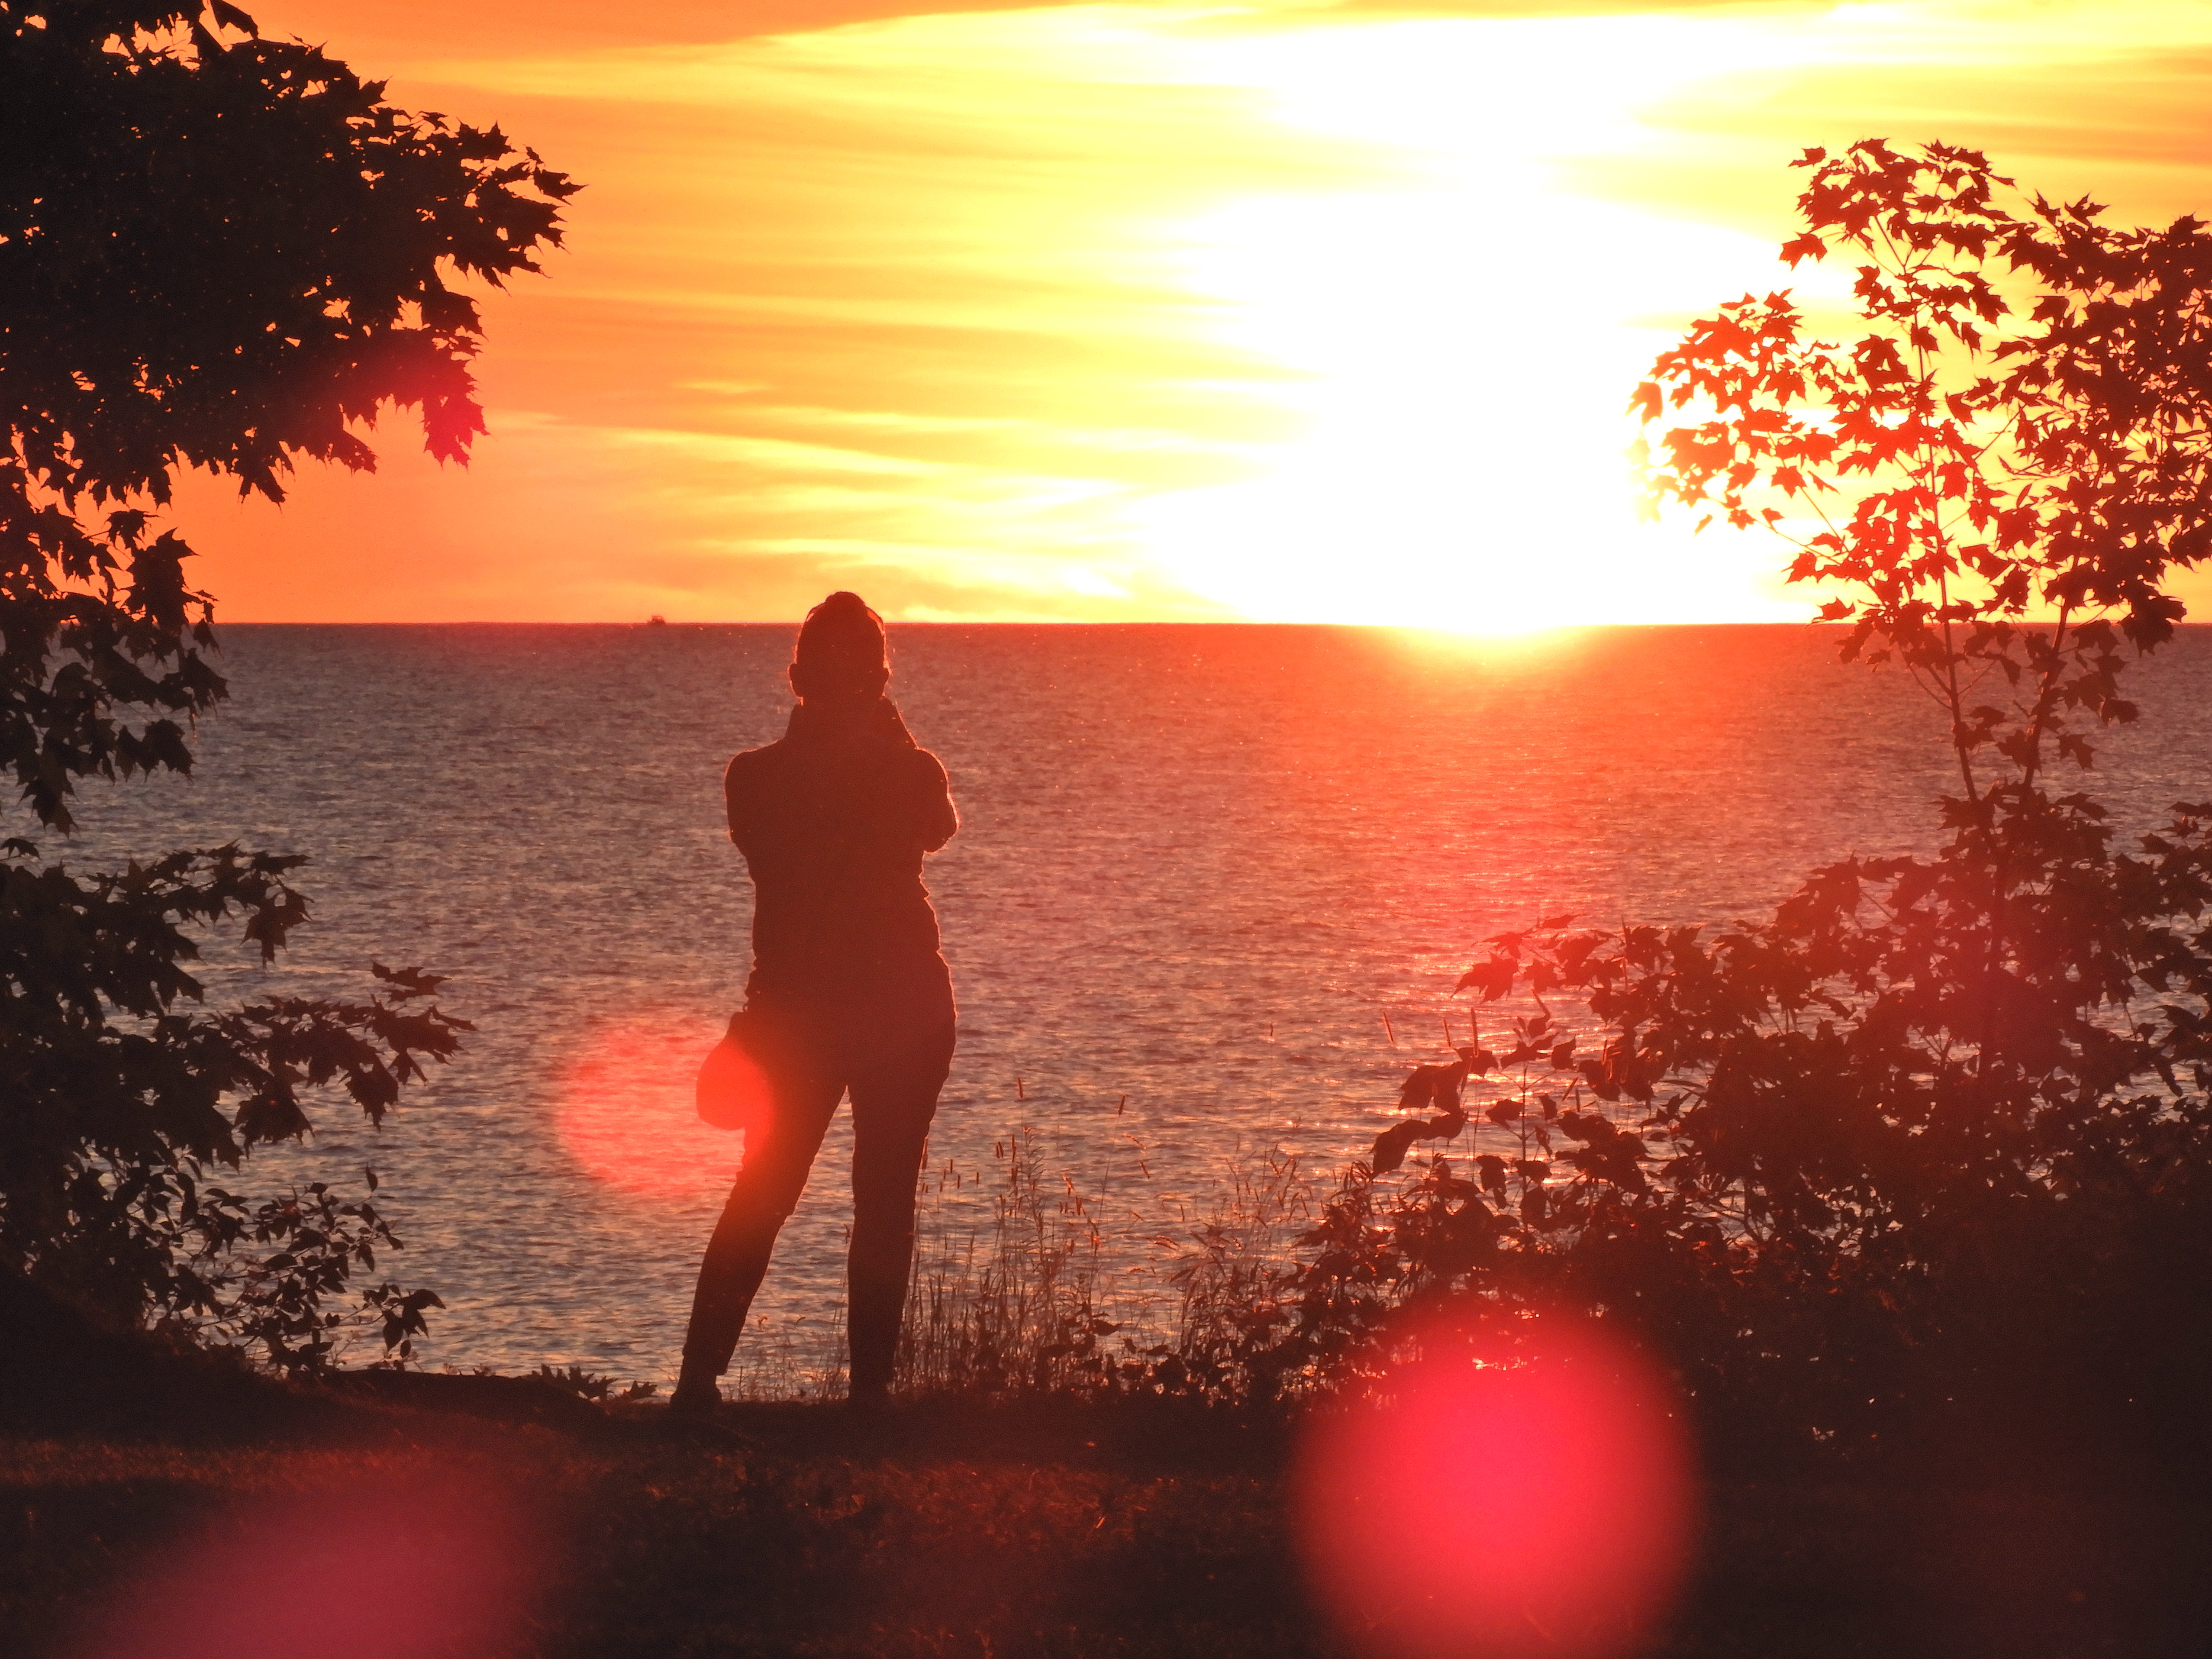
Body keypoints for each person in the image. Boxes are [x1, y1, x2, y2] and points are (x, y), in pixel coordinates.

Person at [673, 592, 959, 1413]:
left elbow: (795, 841)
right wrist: (885, 737)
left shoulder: (756, 776)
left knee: (769, 1188)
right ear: (878, 681)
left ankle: (698, 1386)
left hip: (827, 1010)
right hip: (886, 1007)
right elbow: (933, 827)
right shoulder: (902, 768)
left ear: (795, 677)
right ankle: (865, 1399)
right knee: (876, 1202)